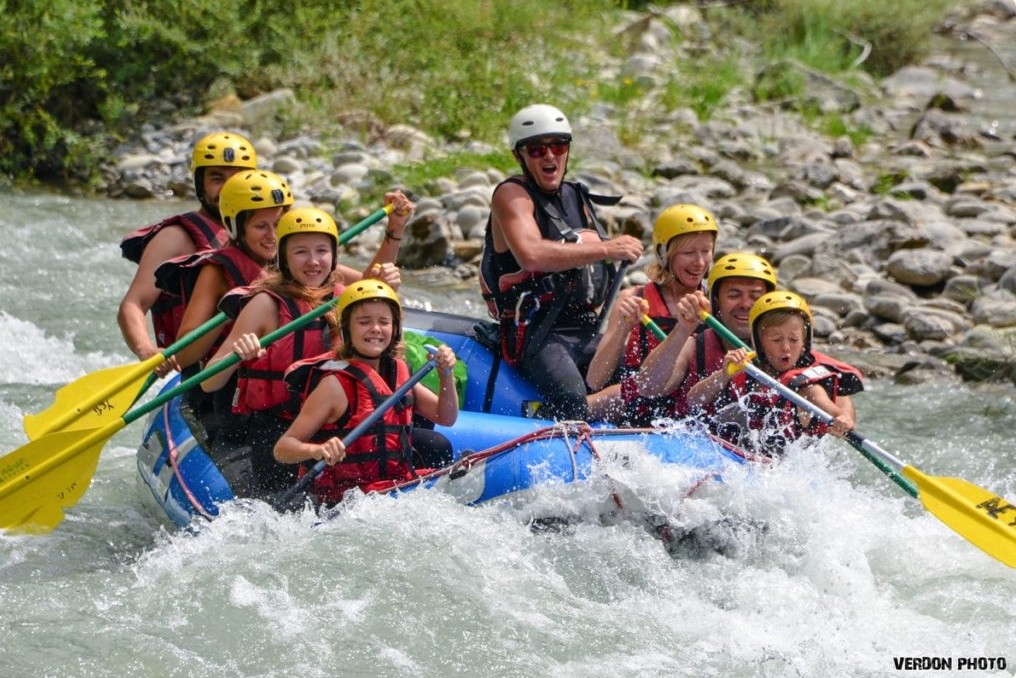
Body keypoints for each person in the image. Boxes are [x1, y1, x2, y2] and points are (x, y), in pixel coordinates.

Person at [197, 203, 408, 498]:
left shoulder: (343, 296)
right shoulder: (266, 304)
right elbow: (209, 382)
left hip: (334, 418)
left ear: (334, 255)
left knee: (430, 446)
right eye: (300, 252)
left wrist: (392, 245)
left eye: (321, 251)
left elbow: (376, 305)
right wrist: (236, 357)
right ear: (283, 258)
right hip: (280, 428)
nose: (313, 262)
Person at [480, 103, 643, 421]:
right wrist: (607, 249)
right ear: (519, 156)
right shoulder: (511, 195)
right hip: (537, 333)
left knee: (644, 383)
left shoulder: (575, 196)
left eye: (557, 146)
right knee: (572, 399)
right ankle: (557, 418)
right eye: (538, 150)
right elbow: (531, 253)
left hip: (585, 327)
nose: (550, 157)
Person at [274, 280, 459, 506]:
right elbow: (283, 448)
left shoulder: (399, 373)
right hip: (345, 502)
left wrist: (445, 375)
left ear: (395, 328)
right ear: (346, 329)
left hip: (392, 487)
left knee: (436, 444)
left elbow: (446, 417)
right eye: (364, 322)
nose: (375, 329)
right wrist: (318, 450)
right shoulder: (334, 386)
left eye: (384, 322)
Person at [117, 131, 256, 367]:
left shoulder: (264, 236)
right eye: (217, 178)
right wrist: (146, 350)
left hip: (251, 363)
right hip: (199, 370)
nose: (228, 189)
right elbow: (133, 304)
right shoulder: (176, 238)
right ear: (200, 183)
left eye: (238, 178)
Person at [686, 291, 863, 456]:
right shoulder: (745, 365)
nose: (786, 347)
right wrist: (723, 375)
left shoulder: (808, 387)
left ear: (804, 344)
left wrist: (842, 421)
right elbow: (692, 401)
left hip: (779, 470)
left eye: (794, 340)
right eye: (776, 339)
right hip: (732, 453)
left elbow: (836, 415)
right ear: (759, 342)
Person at [585, 204, 718, 423]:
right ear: (664, 254)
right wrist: (623, 329)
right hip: (637, 403)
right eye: (689, 253)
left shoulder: (715, 304)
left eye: (706, 251)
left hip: (691, 410)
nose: (700, 262)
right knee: (604, 399)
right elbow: (595, 379)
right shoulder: (633, 299)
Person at [635, 252, 778, 421]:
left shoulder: (787, 350)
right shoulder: (694, 346)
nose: (746, 304)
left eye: (755, 297)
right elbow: (647, 388)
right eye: (734, 296)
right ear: (716, 302)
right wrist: (683, 328)